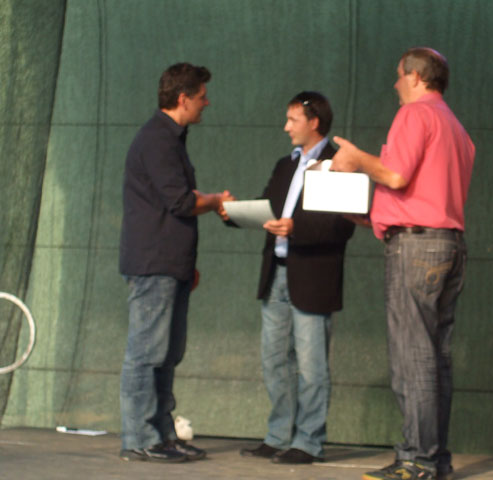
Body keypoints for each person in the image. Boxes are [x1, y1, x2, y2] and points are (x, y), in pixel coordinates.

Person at [331, 47, 475, 480]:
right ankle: (434, 458)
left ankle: (418, 460)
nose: (395, 84)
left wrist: (356, 160)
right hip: (448, 243)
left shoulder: (415, 114)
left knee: (413, 356)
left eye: (398, 75)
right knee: (435, 357)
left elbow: (396, 175)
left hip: (416, 248)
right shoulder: (456, 128)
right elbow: (425, 191)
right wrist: (372, 214)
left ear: (415, 75)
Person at [119, 62, 233, 462]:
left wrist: (185, 263)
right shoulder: (157, 140)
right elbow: (181, 202)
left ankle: (163, 434)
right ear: (183, 99)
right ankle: (140, 438)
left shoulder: (170, 140)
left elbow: (175, 201)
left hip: (170, 263)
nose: (206, 102)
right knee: (146, 353)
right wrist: (216, 201)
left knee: (166, 354)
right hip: (154, 264)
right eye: (202, 96)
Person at [238, 91, 355, 464]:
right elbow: (269, 207)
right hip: (276, 273)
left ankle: (308, 442)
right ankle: (279, 436)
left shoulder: (338, 162)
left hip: (313, 276)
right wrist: (234, 213)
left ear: (314, 121)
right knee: (275, 360)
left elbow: (342, 225)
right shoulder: (285, 165)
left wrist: (295, 229)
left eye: (293, 120)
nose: (286, 127)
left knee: (311, 365)